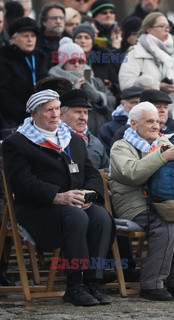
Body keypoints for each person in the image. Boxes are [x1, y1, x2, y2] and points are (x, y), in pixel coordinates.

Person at [3, 90, 112, 306]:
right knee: (76, 217)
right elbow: (22, 183)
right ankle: (74, 285)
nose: (55, 114)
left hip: (73, 203)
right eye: (48, 110)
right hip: (39, 208)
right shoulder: (17, 142)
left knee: (101, 216)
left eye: (56, 109)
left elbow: (91, 172)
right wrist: (57, 196)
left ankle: (92, 281)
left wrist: (90, 194)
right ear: (34, 114)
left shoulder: (72, 139)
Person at [109, 102, 174, 301]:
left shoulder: (163, 143)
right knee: (168, 228)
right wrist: (163, 156)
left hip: (167, 204)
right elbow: (131, 174)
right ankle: (152, 284)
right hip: (134, 204)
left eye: (158, 122)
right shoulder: (121, 146)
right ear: (133, 123)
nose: (156, 126)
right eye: (150, 121)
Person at [119, 12, 174, 122]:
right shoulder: (135, 53)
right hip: (145, 120)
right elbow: (126, 86)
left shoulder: (171, 54)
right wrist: (158, 86)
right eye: (161, 26)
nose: (166, 30)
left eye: (168, 27)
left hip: (171, 119)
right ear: (149, 30)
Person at [48, 37, 116, 136]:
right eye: (72, 61)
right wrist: (74, 91)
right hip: (68, 135)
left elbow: (112, 101)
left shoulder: (93, 79)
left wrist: (98, 96)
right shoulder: (54, 82)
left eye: (80, 61)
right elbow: (53, 108)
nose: (76, 65)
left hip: (99, 133)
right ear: (63, 64)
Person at [0, 17, 48, 139]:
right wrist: (22, 113)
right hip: (13, 120)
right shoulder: (5, 59)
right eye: (25, 36)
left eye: (33, 36)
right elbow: (3, 92)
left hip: (40, 118)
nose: (30, 40)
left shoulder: (39, 57)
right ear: (14, 39)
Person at [60, 89, 109, 171]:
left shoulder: (95, 143)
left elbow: (107, 170)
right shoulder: (54, 140)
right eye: (78, 112)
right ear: (61, 115)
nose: (83, 118)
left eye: (85, 112)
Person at [73, 22, 120, 100]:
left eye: (87, 38)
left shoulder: (103, 60)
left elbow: (117, 87)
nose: (83, 41)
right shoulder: (67, 61)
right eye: (79, 37)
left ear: (93, 41)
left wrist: (110, 85)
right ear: (74, 40)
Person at [98, 86, 143, 154]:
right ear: (123, 103)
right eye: (134, 102)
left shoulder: (155, 124)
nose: (138, 106)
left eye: (141, 103)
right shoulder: (108, 129)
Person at [37, 3, 67, 67]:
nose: (58, 21)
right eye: (53, 18)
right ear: (44, 21)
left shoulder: (71, 41)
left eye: (61, 18)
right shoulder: (35, 42)